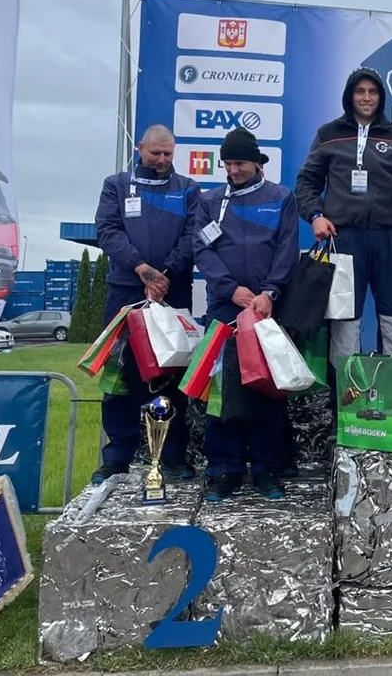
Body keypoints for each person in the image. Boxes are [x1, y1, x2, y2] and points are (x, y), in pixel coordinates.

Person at [295, 67, 392, 371]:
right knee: (345, 319)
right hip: (344, 238)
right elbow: (306, 181)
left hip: (390, 238)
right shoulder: (328, 134)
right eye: (360, 92)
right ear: (350, 96)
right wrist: (316, 215)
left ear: (381, 97)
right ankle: (345, 391)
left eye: (372, 92)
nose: (366, 98)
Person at [194, 127, 299, 501]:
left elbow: (287, 249)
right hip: (225, 306)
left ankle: (266, 468)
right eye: (228, 164)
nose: (233, 170)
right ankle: (225, 468)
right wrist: (230, 289)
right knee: (222, 391)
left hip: (267, 306)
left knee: (266, 388)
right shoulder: (209, 201)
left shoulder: (280, 198)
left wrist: (269, 292)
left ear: (257, 163)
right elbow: (201, 249)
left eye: (240, 163)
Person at [92, 124, 199, 485]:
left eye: (168, 153)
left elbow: (192, 236)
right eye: (156, 153)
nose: (162, 160)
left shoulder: (188, 189)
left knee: (170, 377)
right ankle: (117, 455)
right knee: (120, 376)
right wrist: (142, 269)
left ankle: (171, 455)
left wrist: (164, 274)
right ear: (140, 148)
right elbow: (108, 231)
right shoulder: (117, 185)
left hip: (172, 293)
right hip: (126, 292)